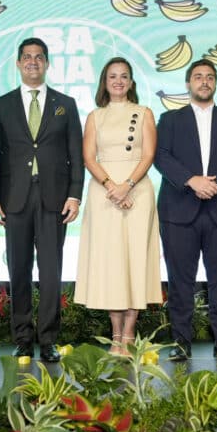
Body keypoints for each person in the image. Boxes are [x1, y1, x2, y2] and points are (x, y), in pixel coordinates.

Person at [0, 38, 84, 363]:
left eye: (39, 57)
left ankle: (48, 340)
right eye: (27, 57)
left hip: (54, 199)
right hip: (14, 199)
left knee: (51, 271)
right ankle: (23, 338)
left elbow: (75, 155)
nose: (32, 62)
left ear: (47, 63)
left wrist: (74, 194)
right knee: (18, 269)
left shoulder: (65, 104)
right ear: (18, 64)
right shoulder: (1, 105)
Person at [154, 59, 217, 362]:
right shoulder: (170, 120)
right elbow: (161, 156)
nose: (204, 81)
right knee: (179, 280)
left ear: (215, 83)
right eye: (198, 77)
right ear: (188, 83)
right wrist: (191, 180)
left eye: (210, 77)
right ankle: (181, 340)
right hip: (179, 210)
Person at [74, 57, 161, 354]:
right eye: (113, 76)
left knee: (134, 259)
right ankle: (115, 335)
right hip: (104, 194)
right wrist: (112, 187)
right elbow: (89, 158)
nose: (119, 81)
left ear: (132, 82)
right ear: (104, 81)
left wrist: (128, 186)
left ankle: (130, 332)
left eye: (124, 76)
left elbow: (148, 155)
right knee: (112, 264)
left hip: (137, 192)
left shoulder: (144, 113)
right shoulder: (95, 116)